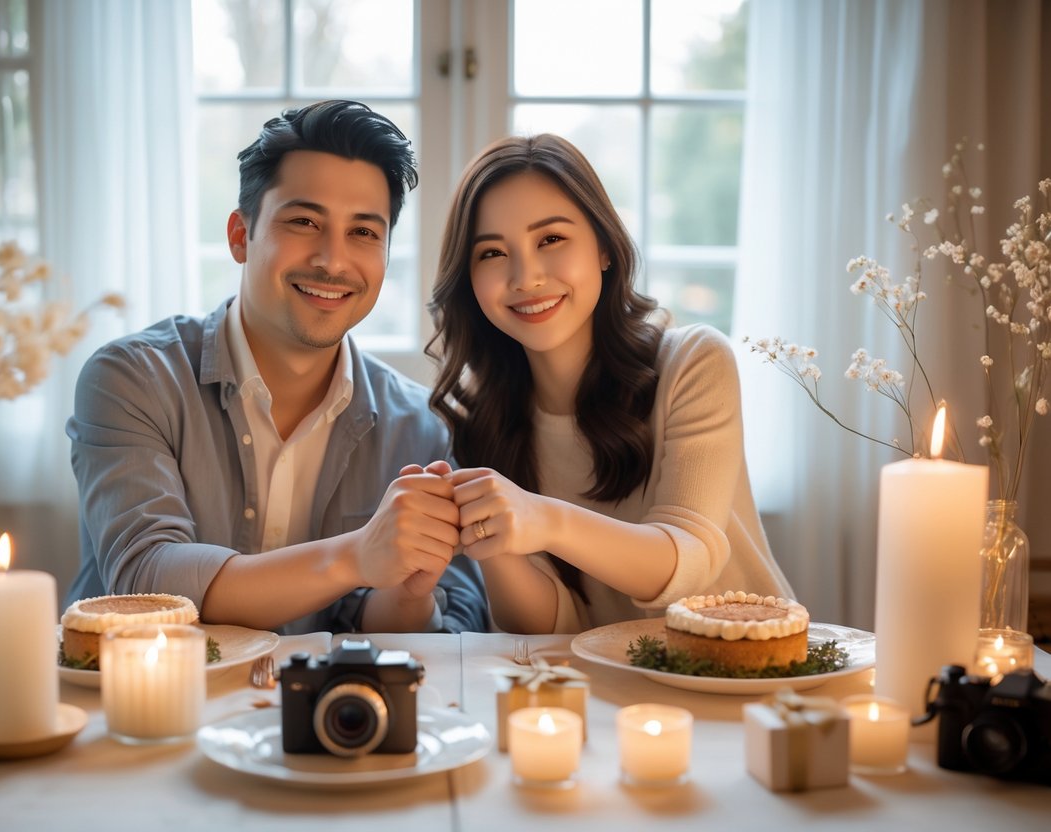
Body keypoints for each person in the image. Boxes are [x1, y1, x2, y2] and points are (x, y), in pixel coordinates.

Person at [66, 100, 488, 634]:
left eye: (363, 232)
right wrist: (358, 555)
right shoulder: (133, 380)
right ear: (240, 236)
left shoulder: (420, 429)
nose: (333, 261)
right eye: (304, 221)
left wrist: (407, 591)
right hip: (143, 707)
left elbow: (450, 626)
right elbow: (145, 583)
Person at [426, 134, 792, 634]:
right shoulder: (482, 414)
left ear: (603, 247)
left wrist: (543, 519)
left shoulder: (693, 362)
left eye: (550, 239)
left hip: (750, 675)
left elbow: (688, 562)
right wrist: (487, 531)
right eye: (491, 252)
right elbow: (544, 629)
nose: (525, 276)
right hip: (611, 693)